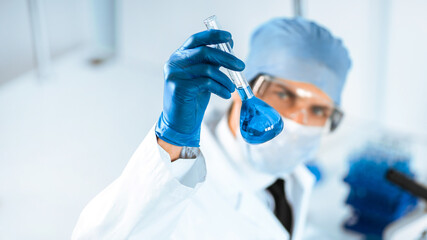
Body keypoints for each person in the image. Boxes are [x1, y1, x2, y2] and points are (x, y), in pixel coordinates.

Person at [72, 17, 351, 239]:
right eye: (283, 94)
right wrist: (174, 141)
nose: (296, 122)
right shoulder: (179, 189)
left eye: (317, 110)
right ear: (241, 87)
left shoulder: (290, 178)